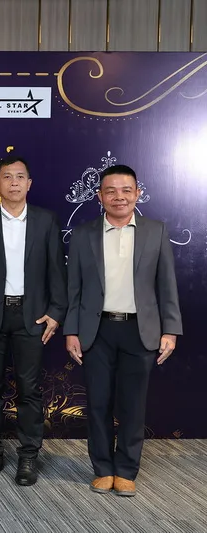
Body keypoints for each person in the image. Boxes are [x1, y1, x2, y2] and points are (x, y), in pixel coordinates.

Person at [64, 164, 182, 497]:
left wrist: (170, 329)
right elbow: (74, 289)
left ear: (137, 194)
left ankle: (127, 470)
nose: (119, 197)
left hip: (140, 331)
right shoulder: (84, 234)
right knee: (98, 403)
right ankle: (103, 469)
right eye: (111, 191)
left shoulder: (155, 231)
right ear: (99, 196)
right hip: (96, 331)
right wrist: (71, 330)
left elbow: (167, 285)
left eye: (126, 190)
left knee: (133, 405)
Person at [0, 156, 67, 486]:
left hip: (31, 315)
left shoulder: (45, 220)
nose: (13, 182)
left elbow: (57, 270)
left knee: (30, 390)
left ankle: (28, 455)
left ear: (29, 183)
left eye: (20, 177)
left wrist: (56, 312)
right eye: (7, 177)